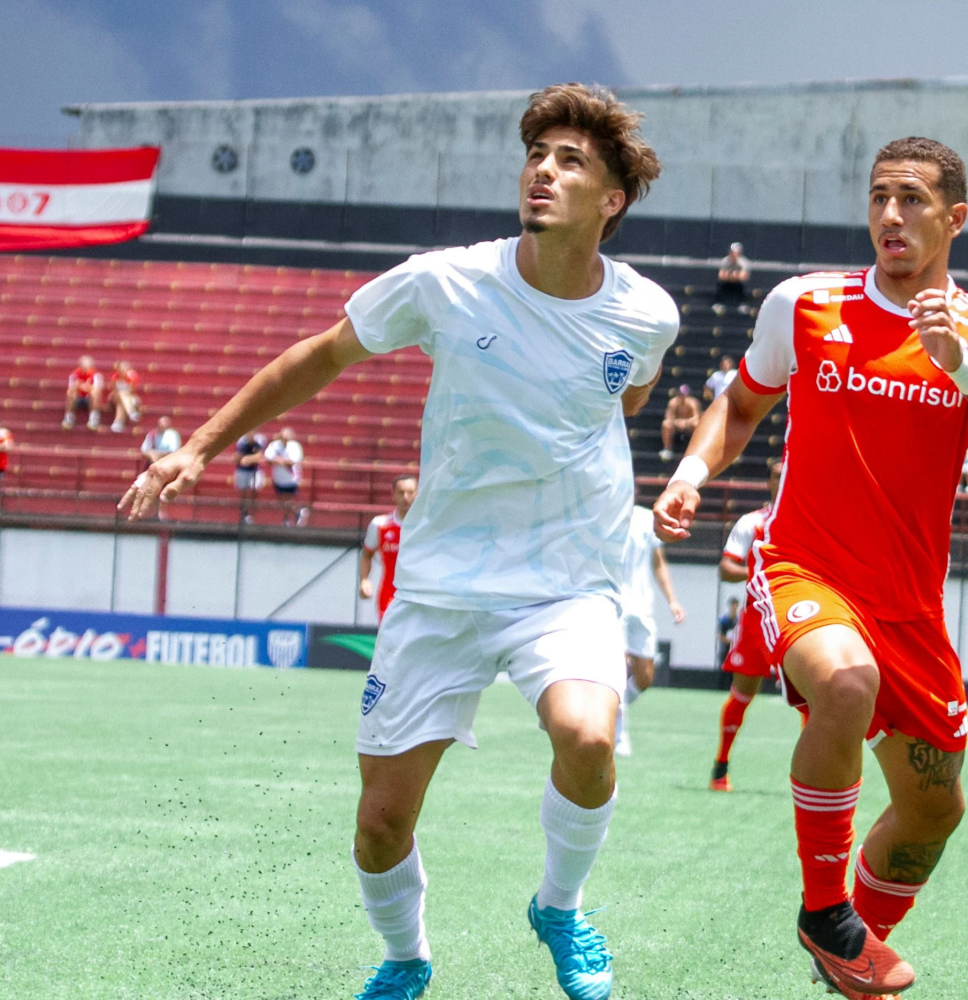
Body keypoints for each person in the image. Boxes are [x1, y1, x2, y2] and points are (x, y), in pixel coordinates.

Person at [121, 82, 675, 1000]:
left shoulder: (647, 311)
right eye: (536, 155)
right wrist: (198, 448)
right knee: (381, 822)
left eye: (570, 160)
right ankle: (407, 957)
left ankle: (560, 908)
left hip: (567, 582)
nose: (542, 170)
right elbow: (321, 355)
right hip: (441, 587)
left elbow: (632, 387)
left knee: (587, 734)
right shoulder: (445, 281)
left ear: (611, 199)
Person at [654, 136, 968, 999]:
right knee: (843, 681)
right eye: (878, 197)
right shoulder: (804, 302)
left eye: (912, 199)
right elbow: (741, 405)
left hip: (910, 605)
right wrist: (688, 474)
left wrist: (962, 368)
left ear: (955, 217)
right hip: (805, 566)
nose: (890, 215)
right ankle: (826, 913)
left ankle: (850, 953)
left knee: (934, 809)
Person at [710, 460, 782, 792]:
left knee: (812, 701)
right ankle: (720, 766)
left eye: (788, 474)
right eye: (777, 475)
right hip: (757, 620)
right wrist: (761, 572)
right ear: (768, 482)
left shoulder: (810, 520)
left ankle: (816, 778)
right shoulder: (752, 522)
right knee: (742, 695)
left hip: (799, 617)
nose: (782, 480)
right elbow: (726, 569)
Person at [616, 504, 686, 757]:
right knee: (617, 670)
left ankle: (605, 710)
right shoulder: (605, 511)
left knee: (645, 677)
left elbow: (658, 563)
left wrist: (672, 600)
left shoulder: (647, 519)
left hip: (642, 607)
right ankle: (618, 734)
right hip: (613, 604)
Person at [360, 476, 418, 622]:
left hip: (420, 597)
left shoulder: (426, 526)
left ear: (417, 494)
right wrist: (364, 580)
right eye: (401, 492)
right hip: (389, 596)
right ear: (393, 494)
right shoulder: (380, 525)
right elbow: (367, 554)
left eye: (410, 492)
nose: (405, 497)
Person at [264, 427, 307, 526]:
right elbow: (268, 458)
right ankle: (297, 511)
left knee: (288, 499)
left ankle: (287, 519)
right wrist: (282, 461)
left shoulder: (295, 446)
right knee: (281, 500)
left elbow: (292, 461)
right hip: (278, 477)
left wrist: (277, 460)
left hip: (291, 478)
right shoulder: (274, 445)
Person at [62, 356, 105, 431]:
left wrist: (84, 387)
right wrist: (77, 387)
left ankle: (93, 419)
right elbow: (70, 389)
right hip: (78, 397)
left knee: (95, 395)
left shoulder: (96, 375)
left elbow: (97, 389)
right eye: (83, 367)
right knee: (71, 394)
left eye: (87, 367)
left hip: (90, 398)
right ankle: (69, 418)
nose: (85, 369)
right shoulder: (74, 374)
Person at [659, 383, 700, 461]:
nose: (683, 397)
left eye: (685, 395)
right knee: (666, 424)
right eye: (681, 395)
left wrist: (686, 422)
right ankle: (667, 449)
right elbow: (668, 416)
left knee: (696, 424)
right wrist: (676, 422)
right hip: (676, 425)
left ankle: (696, 448)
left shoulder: (693, 403)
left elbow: (697, 417)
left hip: (688, 425)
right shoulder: (672, 402)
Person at [232, 432, 266, 523]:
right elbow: (237, 456)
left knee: (253, 492)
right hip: (242, 470)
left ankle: (251, 515)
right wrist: (244, 459)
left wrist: (248, 459)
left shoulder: (260, 438)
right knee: (244, 493)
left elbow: (260, 455)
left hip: (255, 470)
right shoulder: (241, 440)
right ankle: (244, 514)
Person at [715, 242, 750, 315]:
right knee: (720, 284)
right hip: (727, 283)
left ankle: (742, 304)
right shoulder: (725, 261)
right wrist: (732, 276)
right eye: (732, 252)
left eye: (736, 253)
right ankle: (719, 303)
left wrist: (734, 276)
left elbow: (744, 276)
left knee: (743, 286)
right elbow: (721, 275)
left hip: (737, 284)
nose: (734, 255)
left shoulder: (744, 262)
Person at [110, 362, 144, 433]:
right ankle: (131, 412)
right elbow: (114, 390)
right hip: (117, 397)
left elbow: (131, 391)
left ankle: (118, 422)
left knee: (121, 402)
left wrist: (130, 378)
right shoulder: (115, 377)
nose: (122, 370)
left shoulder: (131, 377)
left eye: (124, 368)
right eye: (121, 368)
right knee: (120, 395)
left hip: (129, 398)